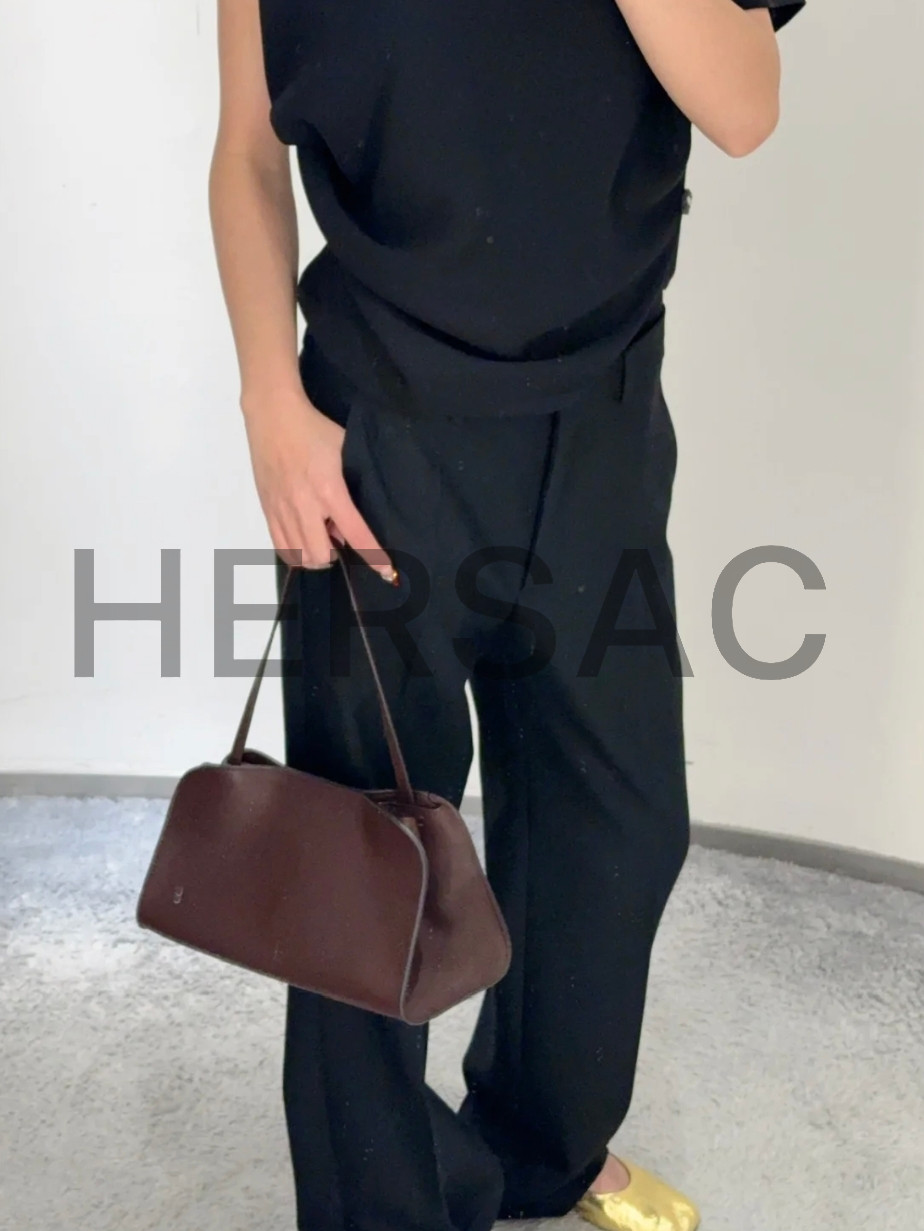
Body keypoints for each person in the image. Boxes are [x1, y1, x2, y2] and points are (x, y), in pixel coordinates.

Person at [208, 2, 806, 1229]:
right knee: (364, 864)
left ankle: (542, 1148)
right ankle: (379, 1206)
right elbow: (248, 149)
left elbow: (745, 106)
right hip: (378, 436)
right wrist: (268, 394)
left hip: (601, 419)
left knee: (616, 824)